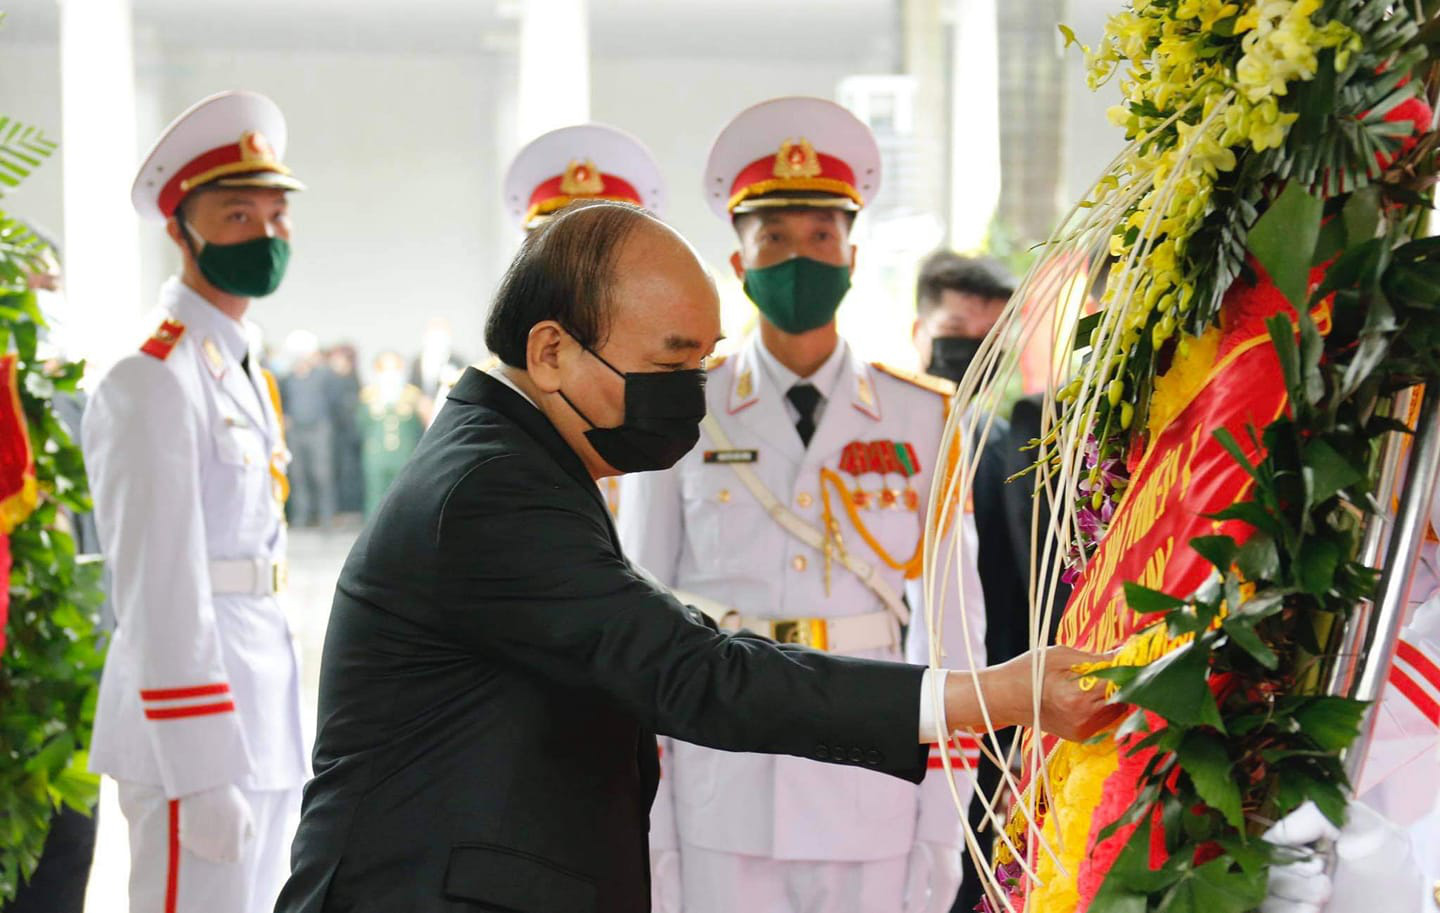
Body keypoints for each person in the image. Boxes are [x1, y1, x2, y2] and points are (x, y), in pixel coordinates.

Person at [275, 201, 1117, 913]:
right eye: (671, 363)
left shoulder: (518, 457)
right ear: (551, 351)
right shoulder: (492, 489)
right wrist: (999, 692)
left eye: (707, 361)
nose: (695, 394)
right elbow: (692, 672)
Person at [619, 97, 981, 913]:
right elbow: (641, 601)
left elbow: (953, 622)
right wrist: (650, 798)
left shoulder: (924, 415)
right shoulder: (683, 407)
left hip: (874, 774)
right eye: (773, 238)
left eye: (820, 237)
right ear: (739, 266)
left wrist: (945, 804)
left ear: (852, 257)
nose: (799, 258)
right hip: (723, 776)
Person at [81, 90, 308, 913]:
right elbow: (157, 589)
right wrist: (203, 766)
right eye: (238, 214)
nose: (267, 233)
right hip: (195, 736)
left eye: (277, 214)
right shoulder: (152, 375)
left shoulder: (238, 365)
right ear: (182, 228)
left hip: (261, 713)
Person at [908, 252, 1029, 913]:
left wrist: (1010, 745)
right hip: (874, 709)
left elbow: (1020, 603)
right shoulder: (874, 441)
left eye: (989, 341)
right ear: (918, 331)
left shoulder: (1011, 453)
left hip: (975, 735)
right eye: (956, 331)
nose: (970, 354)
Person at [501, 120, 667, 516]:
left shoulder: (674, 387)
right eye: (556, 249)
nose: (579, 275)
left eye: (603, 257)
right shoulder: (492, 392)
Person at [357, 350, 425, 517]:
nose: (390, 374)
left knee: (404, 495)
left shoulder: (412, 395)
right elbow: (361, 425)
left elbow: (419, 428)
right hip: (376, 454)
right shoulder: (368, 395)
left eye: (395, 368)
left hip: (405, 453)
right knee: (375, 495)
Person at [281, 330, 336, 528]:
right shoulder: (287, 379)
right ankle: (301, 517)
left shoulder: (323, 376)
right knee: (298, 475)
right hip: (296, 431)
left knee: (322, 474)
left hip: (319, 429)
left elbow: (333, 400)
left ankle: (326, 516)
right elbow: (283, 401)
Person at [325, 344, 363, 517]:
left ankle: (351, 509)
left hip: (351, 433)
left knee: (351, 471)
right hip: (334, 432)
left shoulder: (354, 379)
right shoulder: (330, 379)